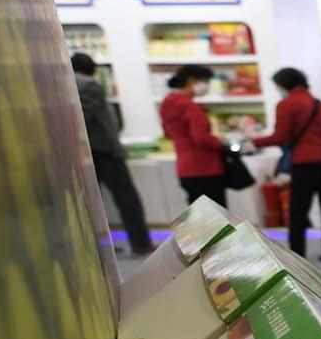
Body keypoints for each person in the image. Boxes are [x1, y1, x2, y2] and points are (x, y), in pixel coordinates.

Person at [251, 67, 321, 262]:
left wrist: (254, 142)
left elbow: (280, 136)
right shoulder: (320, 104)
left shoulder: (286, 105)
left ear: (283, 85)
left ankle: (297, 254)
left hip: (304, 162)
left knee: (298, 211)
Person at [73, 54, 153, 254]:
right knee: (127, 199)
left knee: (91, 202)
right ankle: (140, 243)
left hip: (87, 153)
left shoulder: (68, 84)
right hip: (104, 151)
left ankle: (97, 247)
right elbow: (84, 119)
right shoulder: (89, 85)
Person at [157, 64, 229, 207]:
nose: (207, 86)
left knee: (199, 215)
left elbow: (168, 133)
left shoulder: (167, 103)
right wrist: (221, 142)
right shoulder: (190, 106)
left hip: (185, 168)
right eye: (206, 81)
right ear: (191, 80)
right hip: (205, 167)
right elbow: (201, 138)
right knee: (216, 216)